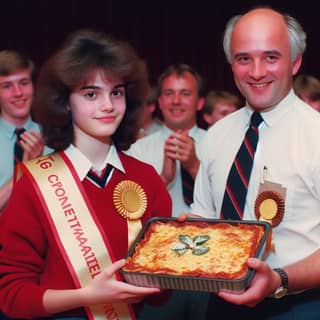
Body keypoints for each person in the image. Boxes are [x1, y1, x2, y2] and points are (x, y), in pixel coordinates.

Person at [0, 29, 172, 319]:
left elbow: (160, 296)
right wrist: (86, 297)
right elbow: (11, 296)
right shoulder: (33, 183)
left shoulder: (146, 178)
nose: (107, 105)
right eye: (91, 94)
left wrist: (179, 253)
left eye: (116, 92)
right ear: (64, 102)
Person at [191, 7, 320, 319]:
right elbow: (204, 216)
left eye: (271, 57)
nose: (257, 71)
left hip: (299, 306)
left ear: (296, 61)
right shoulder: (216, 135)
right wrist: (187, 235)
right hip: (220, 303)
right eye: (244, 58)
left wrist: (279, 279)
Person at [127, 63, 208, 320]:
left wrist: (194, 166)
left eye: (185, 93)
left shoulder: (219, 142)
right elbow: (127, 214)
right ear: (159, 101)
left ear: (199, 102)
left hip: (209, 268)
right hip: (157, 270)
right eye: (169, 93)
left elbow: (233, 206)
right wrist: (163, 179)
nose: (176, 101)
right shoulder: (137, 150)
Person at [0, 50, 51, 212]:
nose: (18, 93)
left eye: (23, 83)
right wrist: (26, 169)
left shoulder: (55, 137)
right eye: (7, 86)